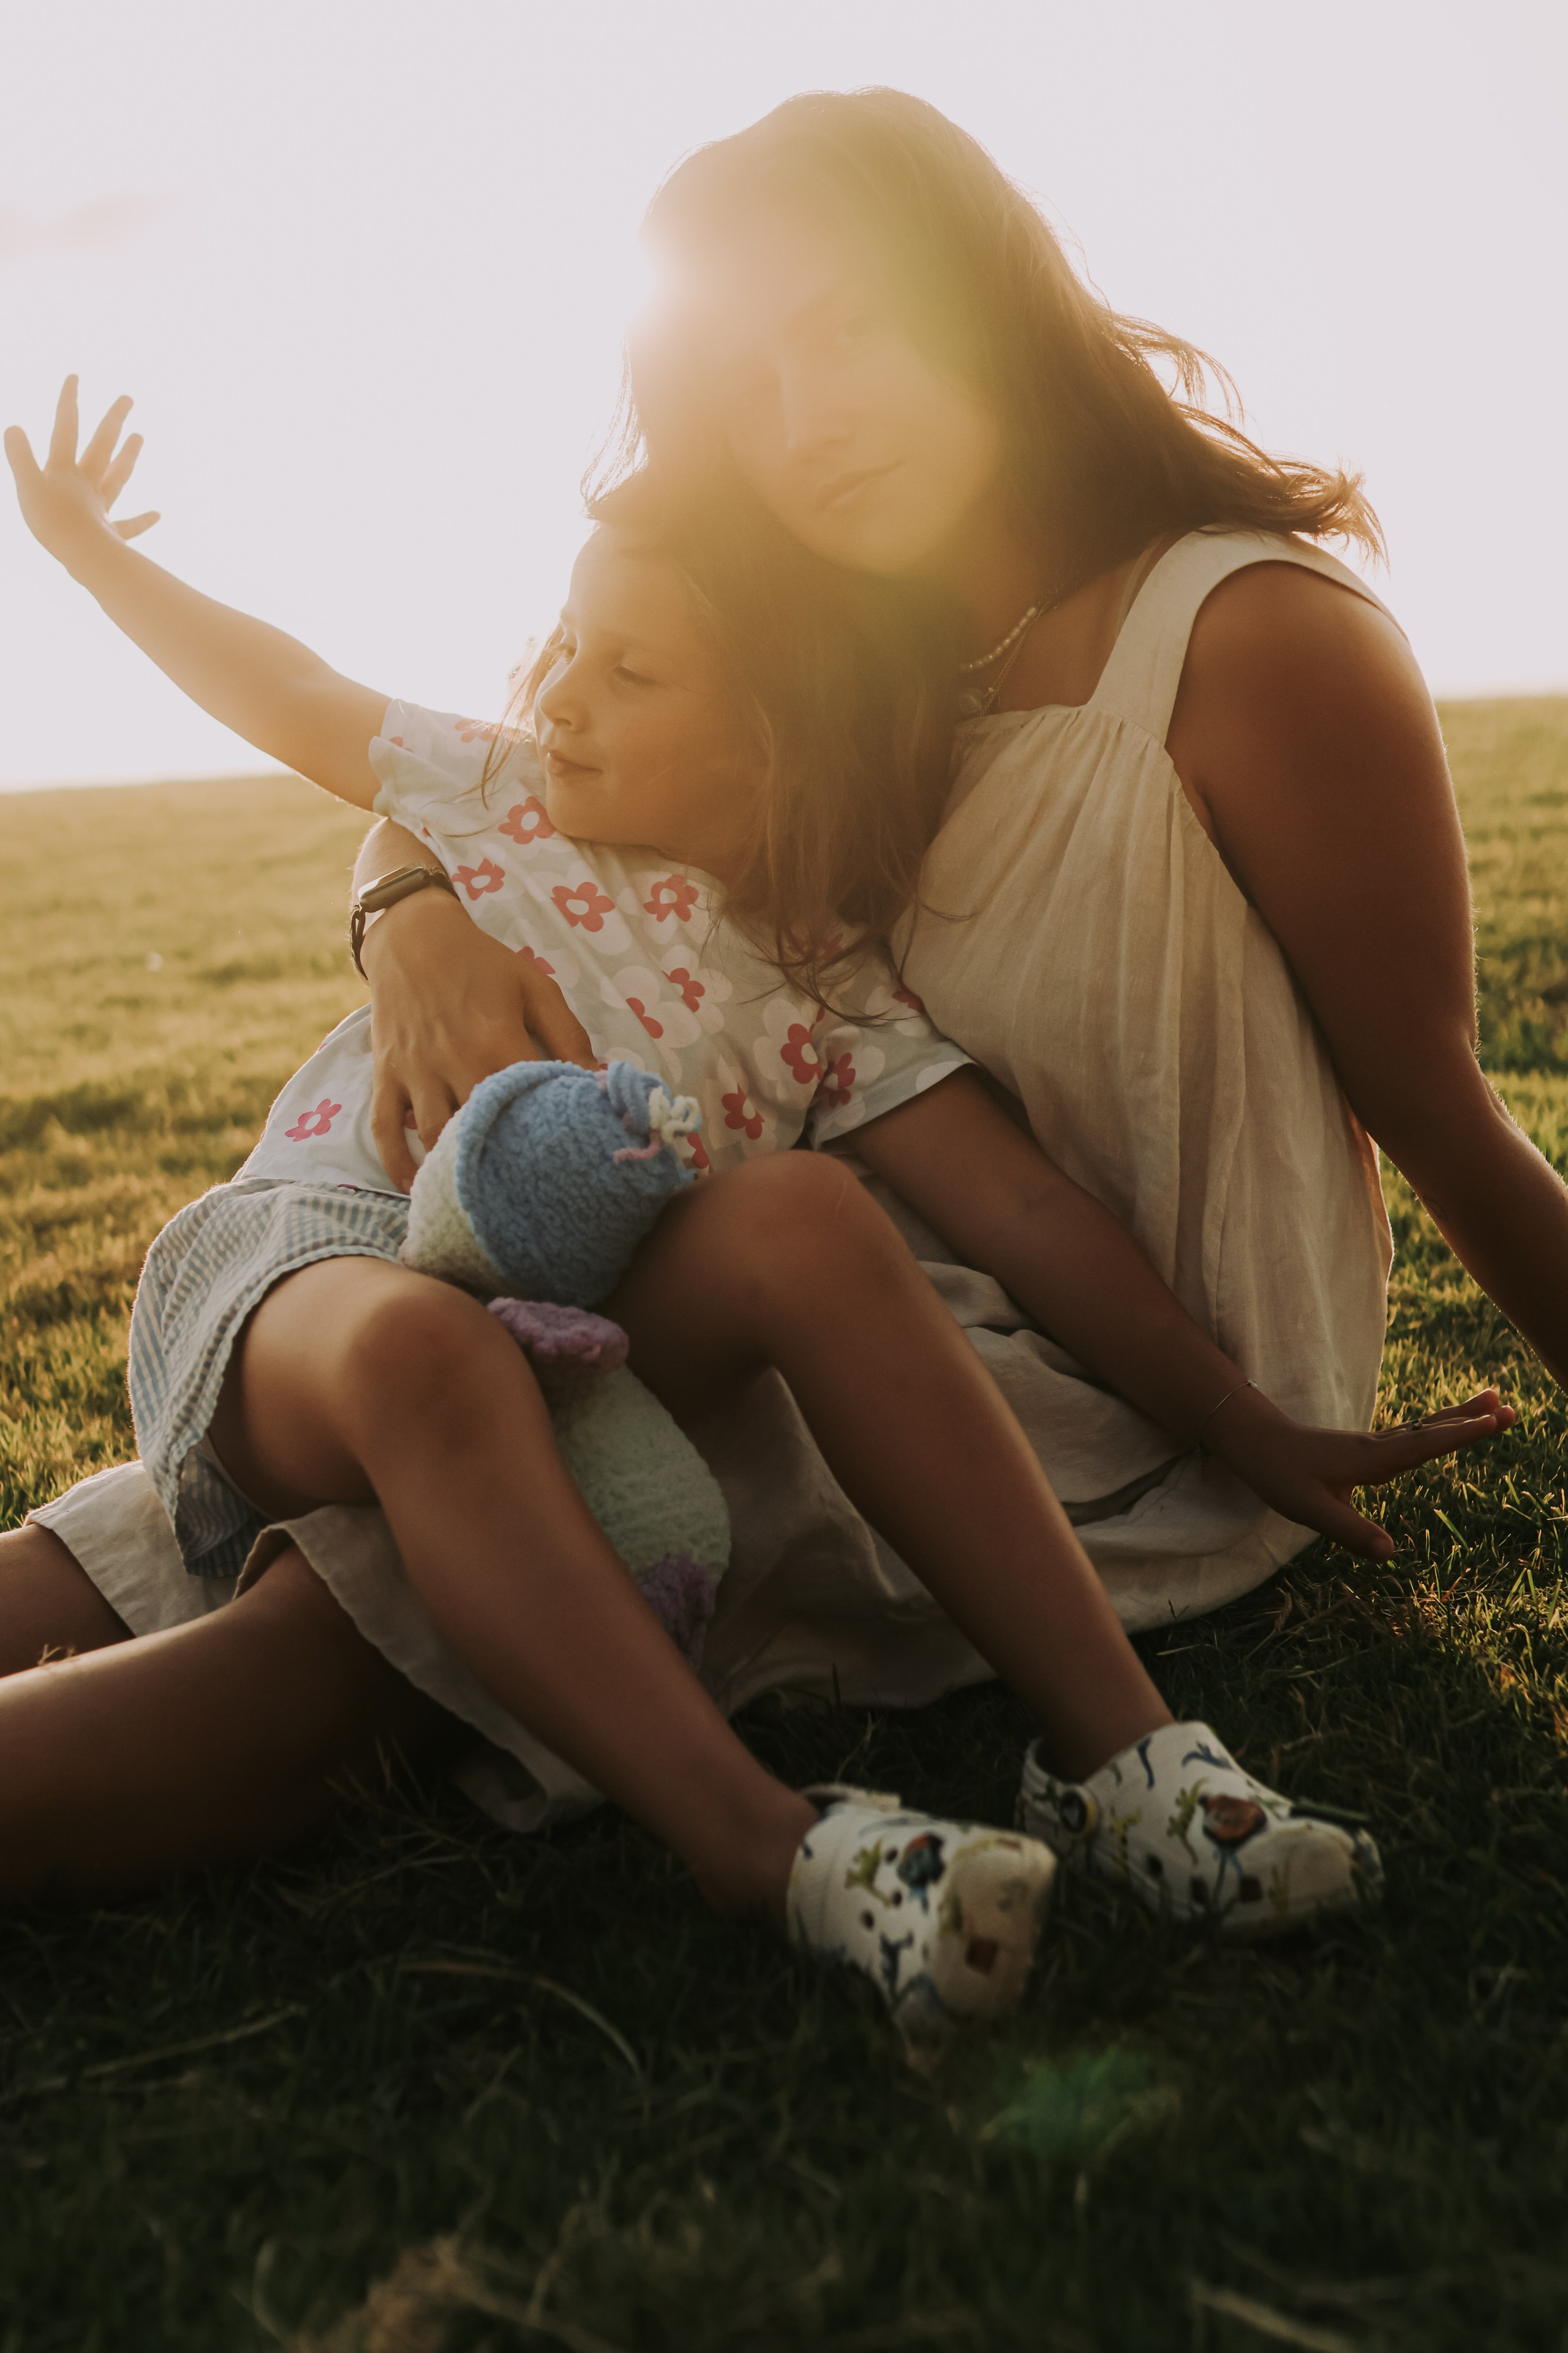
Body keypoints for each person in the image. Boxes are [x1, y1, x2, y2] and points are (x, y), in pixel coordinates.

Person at [0, 392, 1502, 2030]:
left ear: (788, 737)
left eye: (631, 673)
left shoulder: (822, 998)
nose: (563, 696)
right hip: (322, 1269)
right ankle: (763, 1845)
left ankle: (1127, 1761)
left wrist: (1238, 1412)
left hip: (569, 1336)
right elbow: (285, 688)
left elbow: (1022, 1209)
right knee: (434, 1364)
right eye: (568, 647)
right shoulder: (495, 796)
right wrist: (88, 561)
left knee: (804, 1223)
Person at [345, 89, 1559, 1661]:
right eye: (747, 390)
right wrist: (402, 912)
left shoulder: (1248, 640)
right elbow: (520, 788)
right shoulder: (848, 669)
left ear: (984, 298)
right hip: (830, 1287)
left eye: (850, 335)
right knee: (397, 1475)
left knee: (416, 1556)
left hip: (1145, 1394)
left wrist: (1258, 1419)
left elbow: (1444, 1116)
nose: (806, 425)